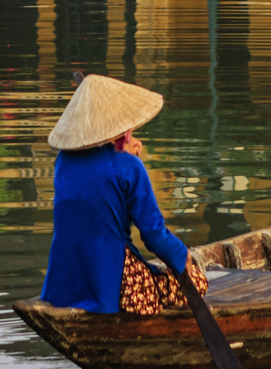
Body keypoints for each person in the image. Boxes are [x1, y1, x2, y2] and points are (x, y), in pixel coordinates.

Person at [41, 74, 207, 315]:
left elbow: (98, 185)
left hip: (62, 286)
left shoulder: (62, 162)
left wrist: (125, 156)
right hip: (109, 286)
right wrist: (182, 257)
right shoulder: (128, 167)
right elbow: (153, 235)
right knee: (199, 282)